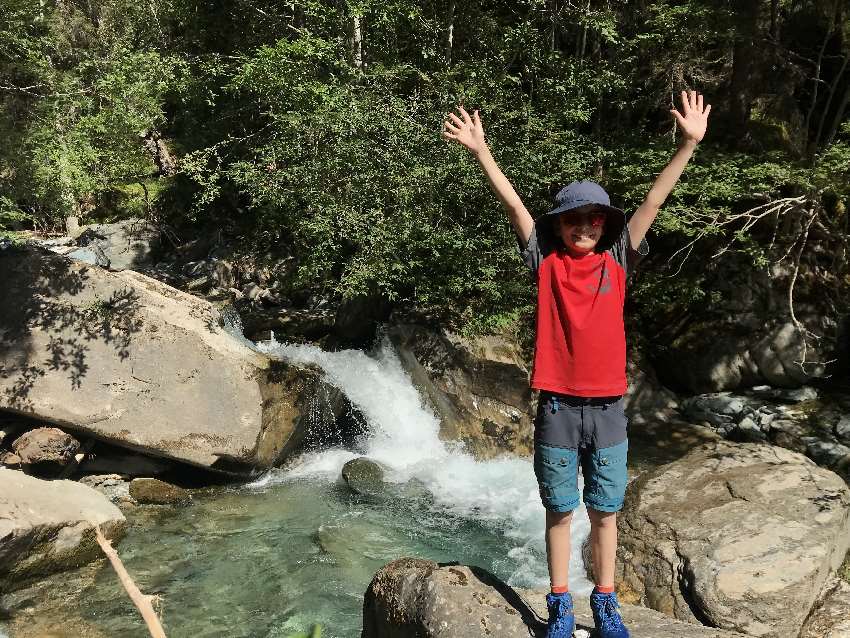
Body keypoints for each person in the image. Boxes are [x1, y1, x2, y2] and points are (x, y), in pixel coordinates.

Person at [443, 91, 711, 638]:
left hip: (609, 408)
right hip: (559, 407)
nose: (583, 227)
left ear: (604, 226)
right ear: (560, 226)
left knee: (606, 513)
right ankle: (562, 603)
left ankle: (606, 603)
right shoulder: (545, 262)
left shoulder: (618, 263)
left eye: (593, 219)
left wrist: (687, 145)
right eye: (572, 220)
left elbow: (654, 204)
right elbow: (516, 208)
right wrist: (481, 151)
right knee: (561, 511)